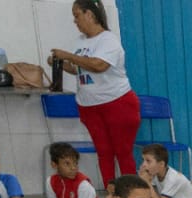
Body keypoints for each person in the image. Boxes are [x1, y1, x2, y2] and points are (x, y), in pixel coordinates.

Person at [49, 0, 140, 188]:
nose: (75, 21)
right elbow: (79, 70)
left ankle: (131, 195)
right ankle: (112, 193)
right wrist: (59, 63)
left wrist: (68, 56)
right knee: (104, 152)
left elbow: (99, 65)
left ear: (89, 14)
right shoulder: (80, 42)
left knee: (122, 152)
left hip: (117, 103)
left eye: (77, 15)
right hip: (89, 106)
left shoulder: (108, 40)